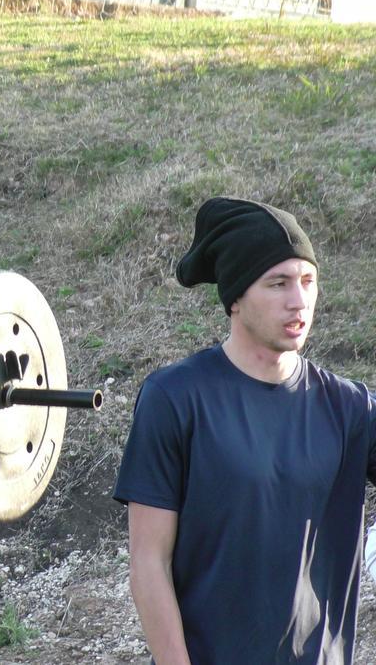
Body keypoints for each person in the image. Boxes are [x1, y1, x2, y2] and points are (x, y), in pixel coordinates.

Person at [114, 196, 376, 664]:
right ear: (236, 297)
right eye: (278, 283)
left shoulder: (351, 408)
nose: (299, 300)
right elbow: (147, 563)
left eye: (308, 281)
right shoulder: (175, 399)